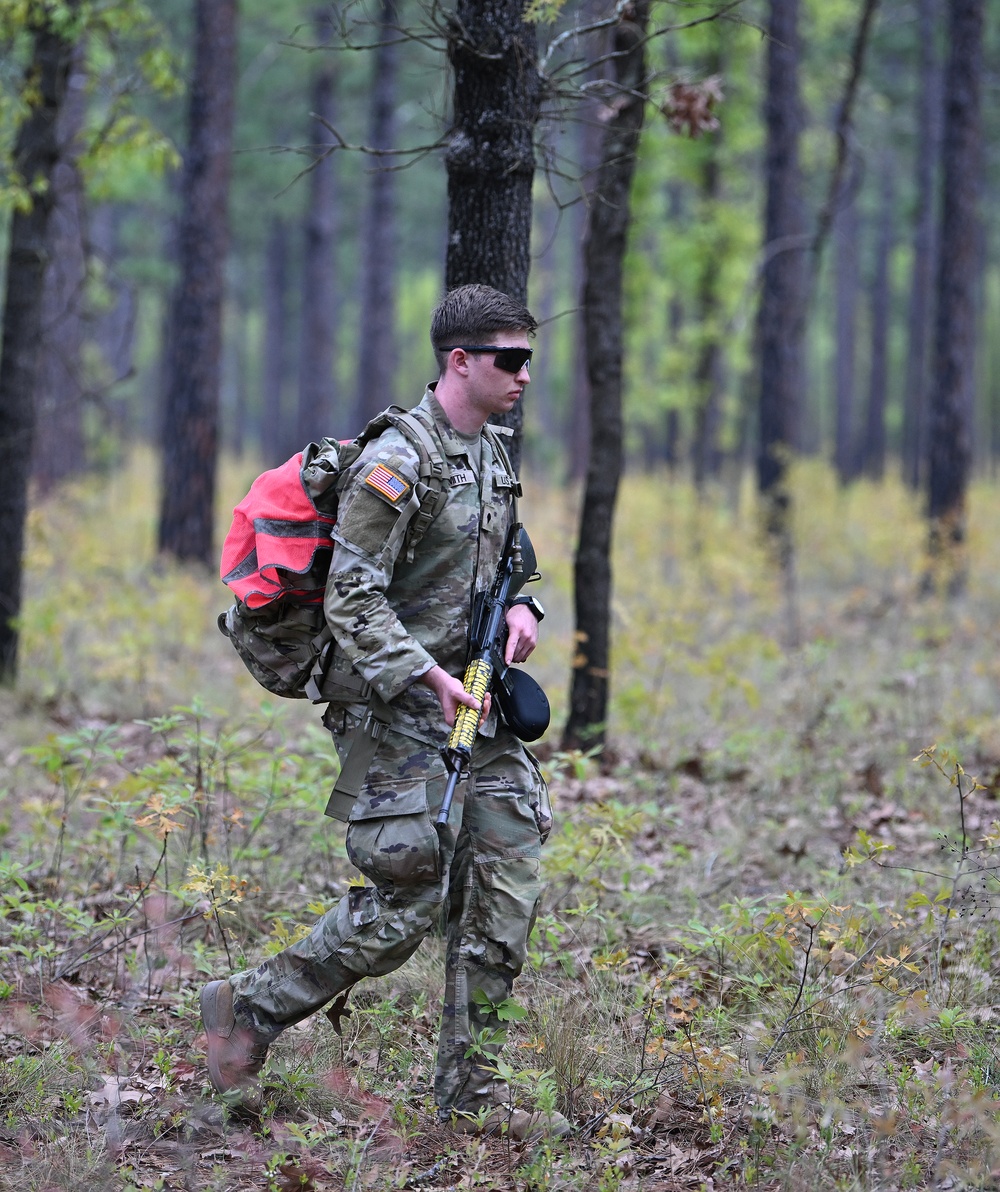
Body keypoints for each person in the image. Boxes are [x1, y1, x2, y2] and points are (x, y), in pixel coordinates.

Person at [200, 284, 568, 1139]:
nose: (522, 374)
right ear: (460, 362)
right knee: (403, 906)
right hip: (398, 710)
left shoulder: (490, 453)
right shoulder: (398, 462)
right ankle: (246, 1011)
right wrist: (424, 677)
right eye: (508, 360)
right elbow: (350, 596)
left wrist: (526, 608)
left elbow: (508, 554)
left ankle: (467, 1108)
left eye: (528, 359)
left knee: (505, 892)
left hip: (478, 711)